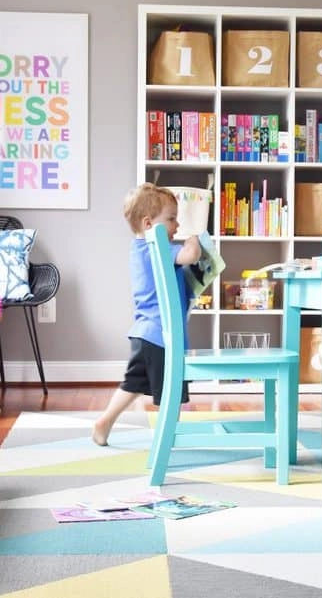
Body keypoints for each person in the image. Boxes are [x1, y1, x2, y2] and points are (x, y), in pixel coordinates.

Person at [92, 182, 201, 446]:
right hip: (163, 336)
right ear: (149, 224)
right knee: (172, 391)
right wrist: (195, 233)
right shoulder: (160, 249)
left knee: (132, 384)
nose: (177, 226)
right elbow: (192, 254)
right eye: (172, 219)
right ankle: (167, 440)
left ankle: (105, 421)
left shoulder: (139, 249)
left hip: (144, 333)